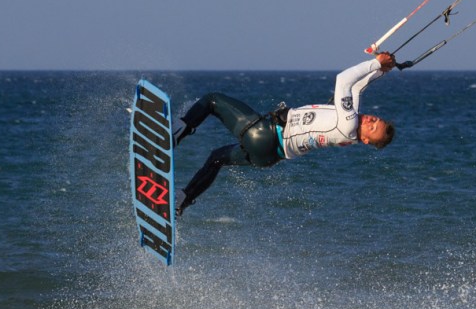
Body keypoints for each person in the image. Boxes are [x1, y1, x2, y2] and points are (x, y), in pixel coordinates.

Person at [170, 52, 397, 215]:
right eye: (375, 119)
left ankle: (174, 135)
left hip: (265, 135)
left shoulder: (348, 123)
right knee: (216, 158)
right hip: (268, 157)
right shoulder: (349, 128)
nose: (371, 120)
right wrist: (381, 69)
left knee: (212, 100)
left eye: (372, 127)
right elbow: (356, 88)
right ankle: (183, 199)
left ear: (365, 140)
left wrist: (374, 62)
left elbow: (344, 80)